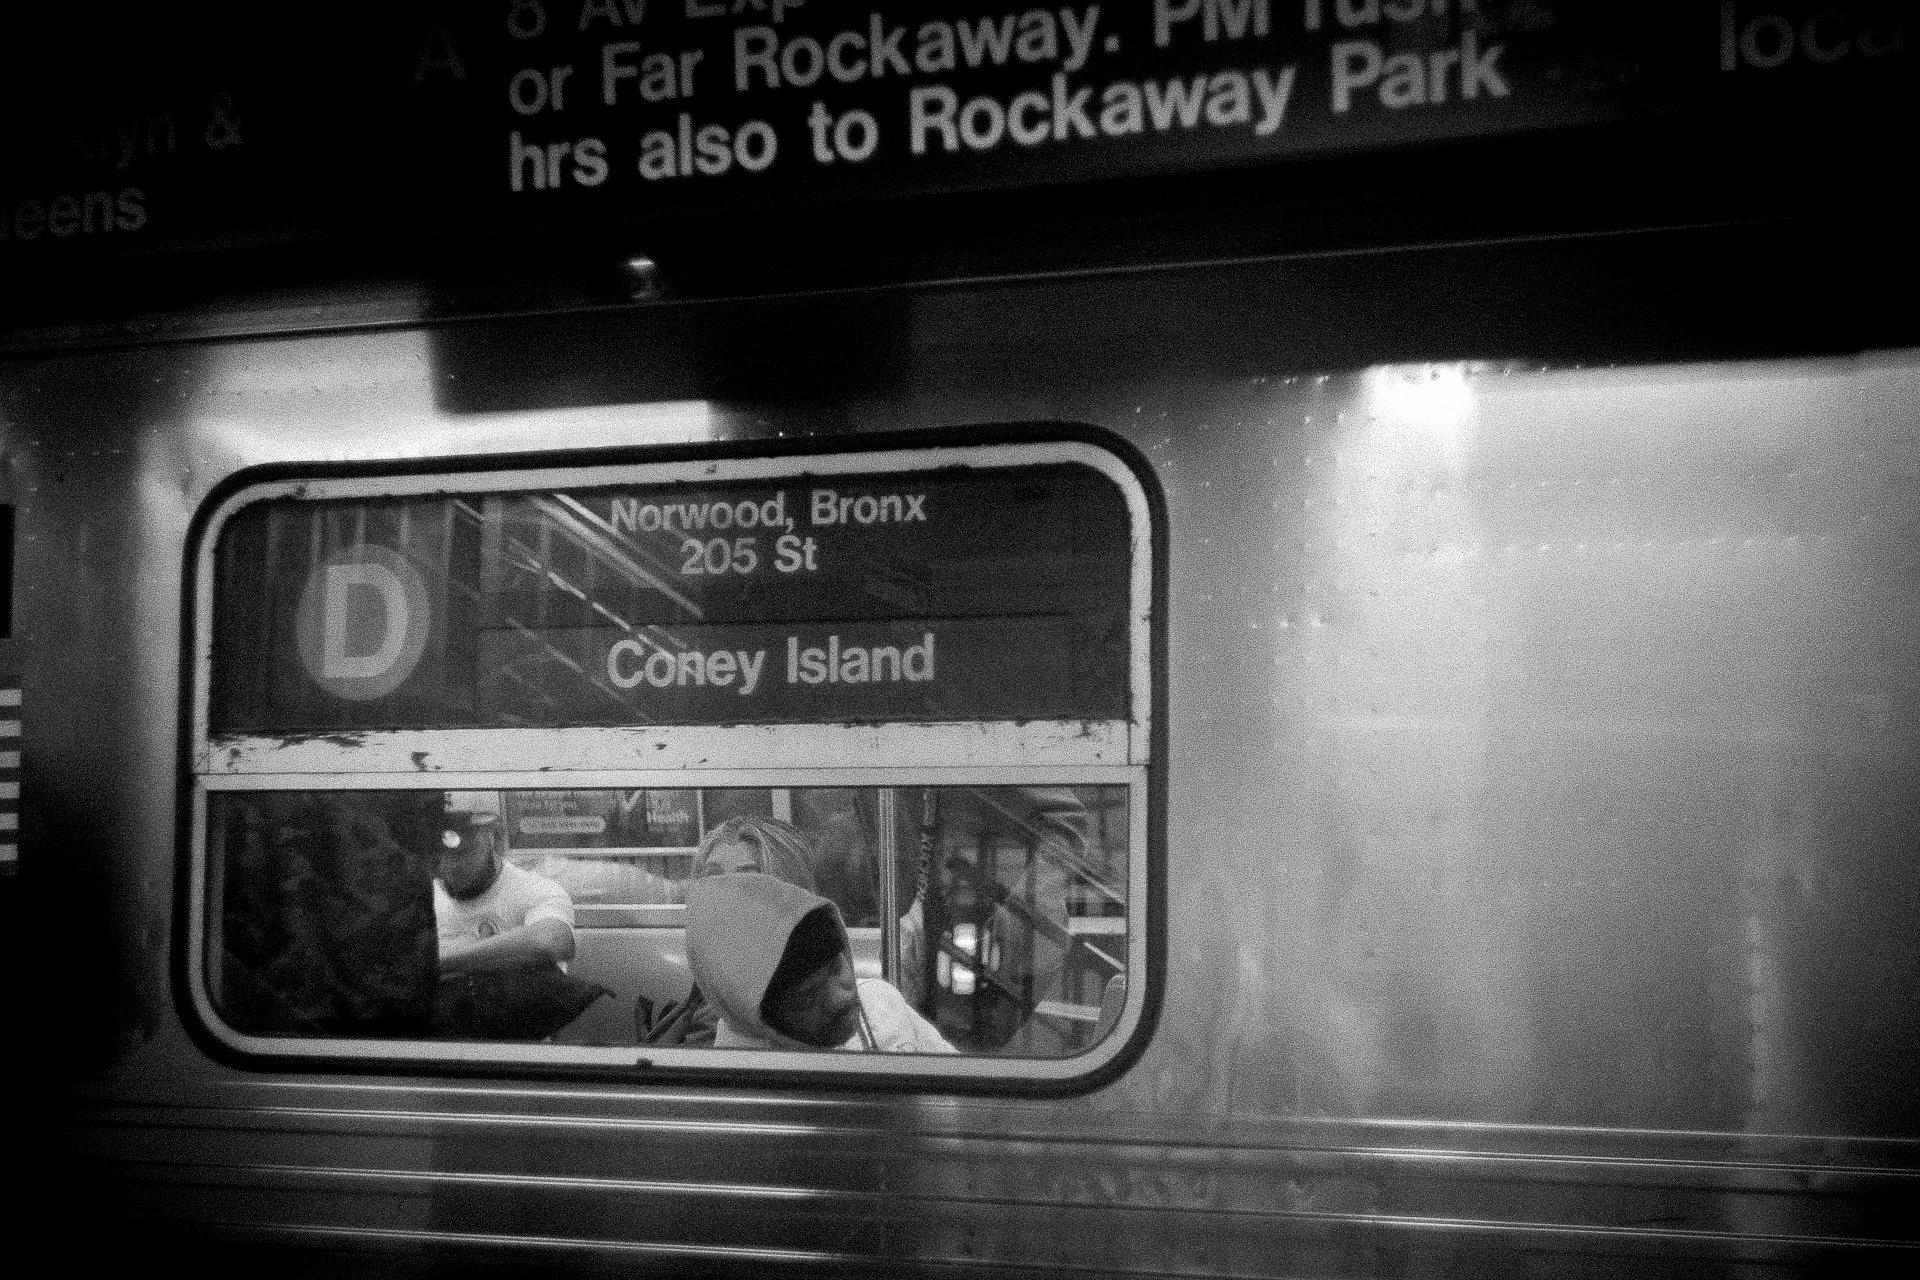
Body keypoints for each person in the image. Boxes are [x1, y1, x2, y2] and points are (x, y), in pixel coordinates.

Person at [686, 872, 955, 1053]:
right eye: (808, 997)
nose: (839, 998)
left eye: (838, 968)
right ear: (754, 1014)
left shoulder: (881, 1004)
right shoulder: (730, 1075)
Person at [434, 809, 576, 975]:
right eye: (438, 854)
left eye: (463, 853)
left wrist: (436, 963)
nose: (451, 865)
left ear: (493, 838)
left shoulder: (534, 890)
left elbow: (553, 940)